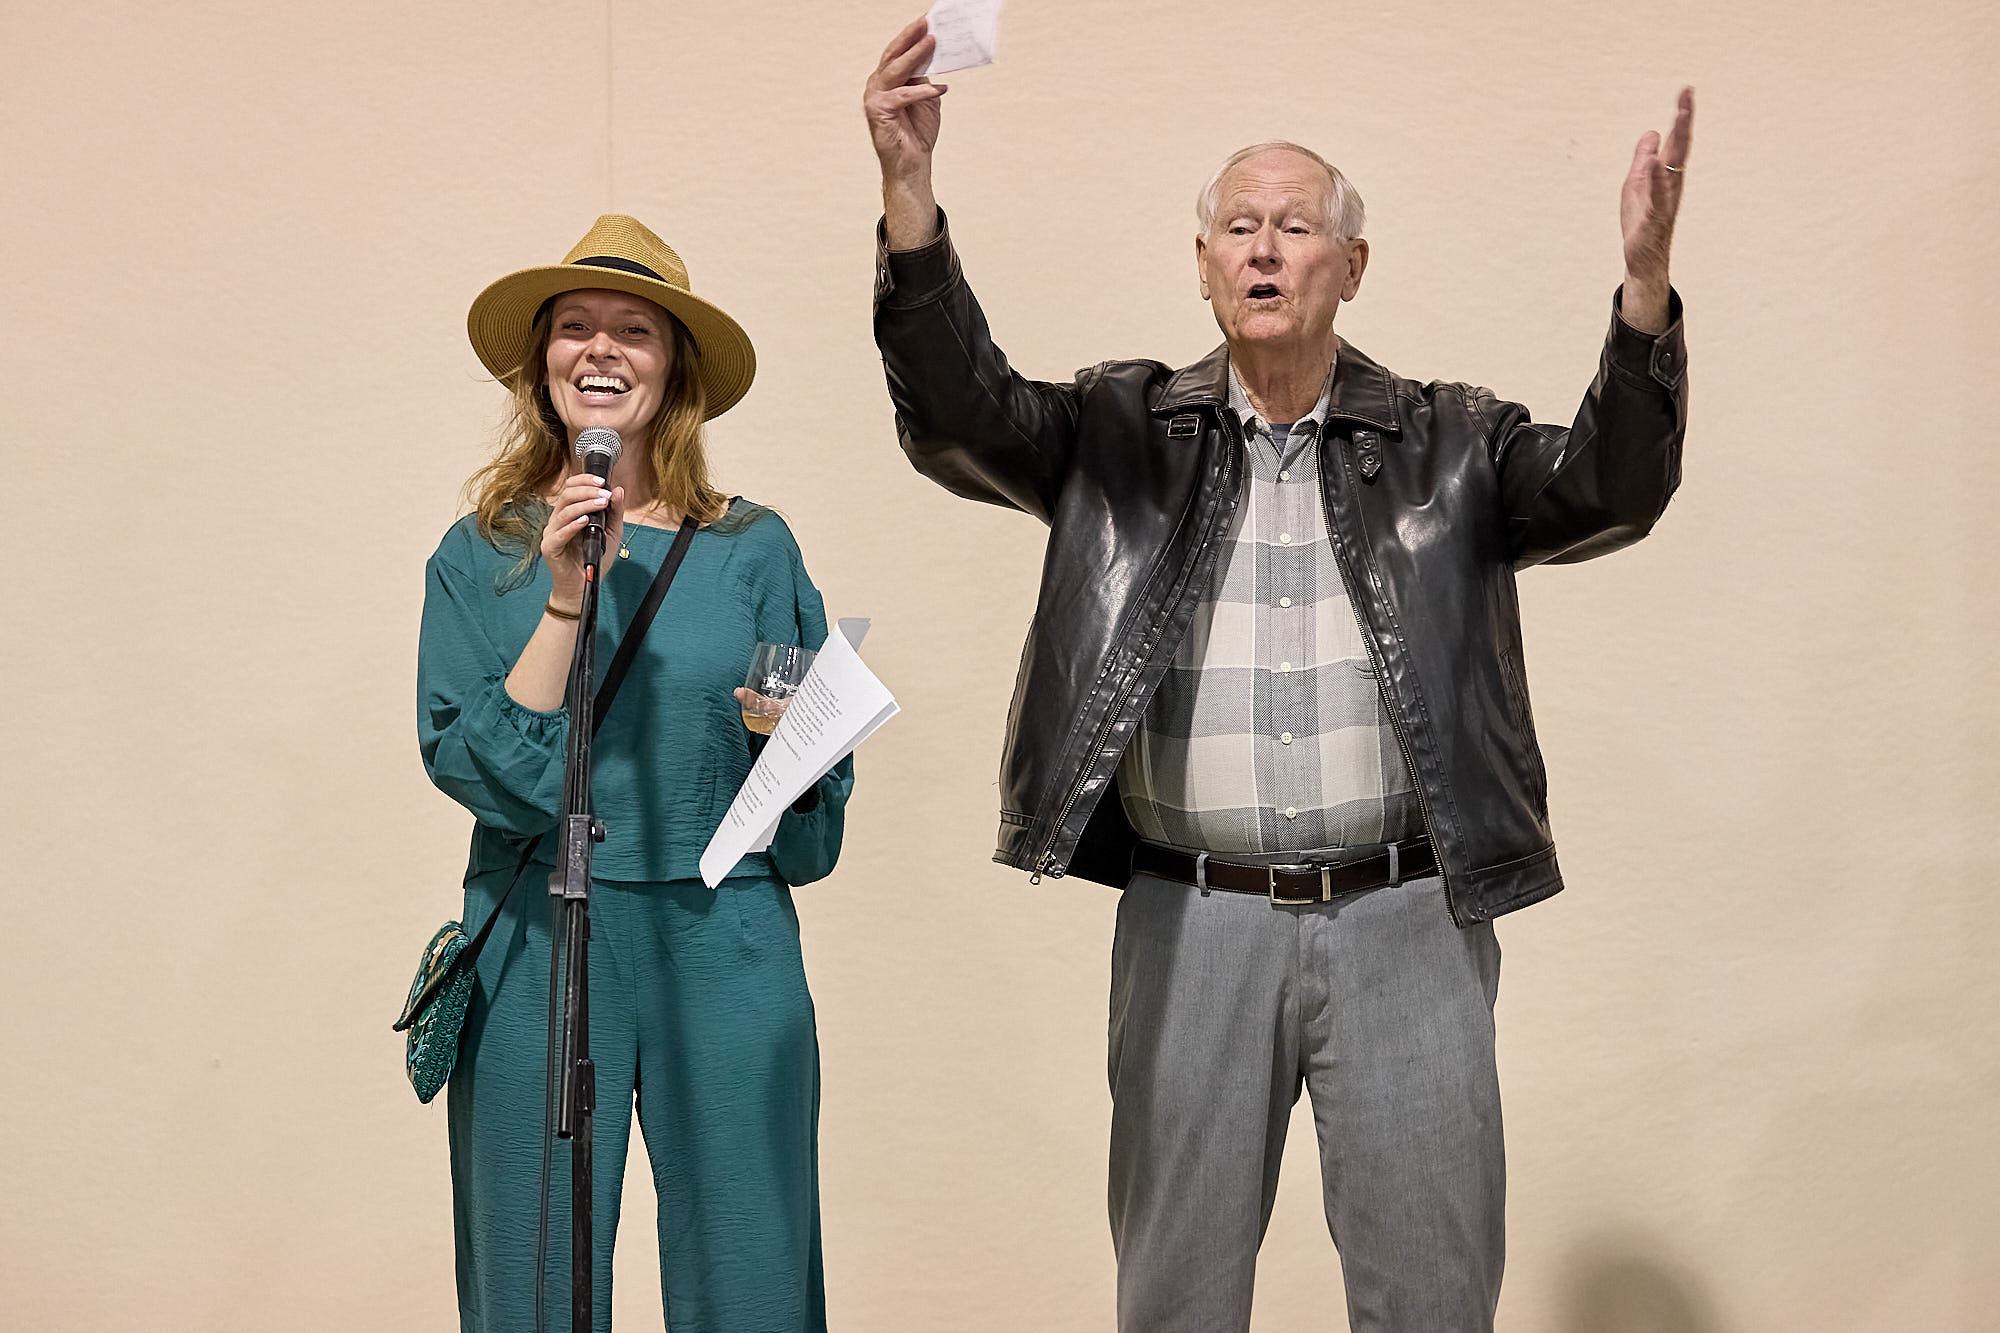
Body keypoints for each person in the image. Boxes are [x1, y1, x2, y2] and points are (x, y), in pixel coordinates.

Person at [864, 17, 1691, 1332]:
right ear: (1201, 264)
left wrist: (1642, 297)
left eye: (1294, 226)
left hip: (1409, 921)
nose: (1262, 248)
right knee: (1176, 1299)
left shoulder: (1451, 441)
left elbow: (1612, 488)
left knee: (1430, 1300)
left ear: (1350, 265)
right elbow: (960, 419)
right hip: (1192, 922)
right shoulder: (1119, 431)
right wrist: (910, 199)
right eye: (1237, 227)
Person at [418, 213, 849, 1333]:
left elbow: (808, 821)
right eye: (574, 326)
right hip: (539, 936)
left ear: (674, 370)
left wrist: (796, 747)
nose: (601, 348)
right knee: (531, 1273)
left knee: (753, 1264)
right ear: (542, 364)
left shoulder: (753, 546)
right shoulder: (483, 551)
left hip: (726, 933)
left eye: (634, 329)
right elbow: (481, 769)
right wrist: (566, 594)